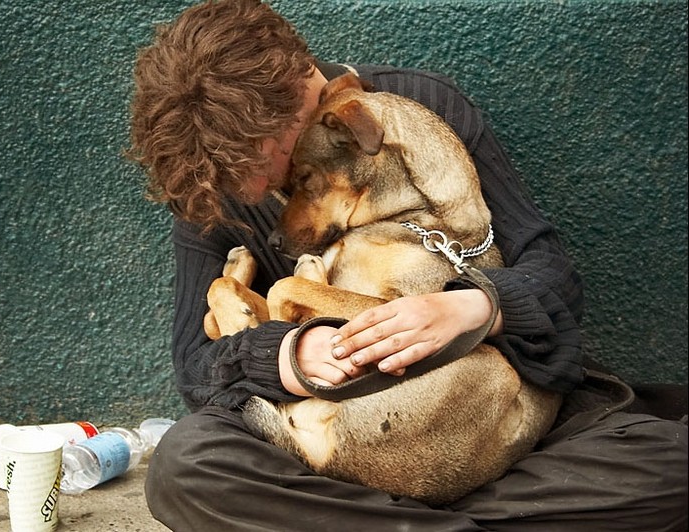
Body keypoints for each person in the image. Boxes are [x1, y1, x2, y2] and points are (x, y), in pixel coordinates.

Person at [128, 1, 688, 530]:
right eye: (232, 176)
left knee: (673, 466)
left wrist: (475, 305)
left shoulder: (419, 109)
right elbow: (195, 367)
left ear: (300, 89)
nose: (247, 187)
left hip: (477, 414)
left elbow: (553, 274)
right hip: (325, 432)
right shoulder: (212, 178)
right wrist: (284, 355)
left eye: (257, 156)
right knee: (184, 468)